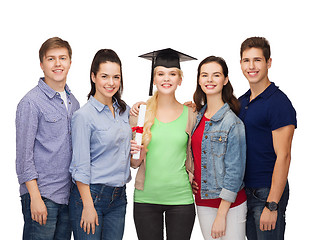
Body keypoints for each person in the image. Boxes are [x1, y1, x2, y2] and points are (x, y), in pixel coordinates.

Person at [15, 37, 80, 240]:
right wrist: (34, 197)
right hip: (42, 196)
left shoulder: (74, 102)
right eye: (51, 59)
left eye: (63, 58)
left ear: (70, 62)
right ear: (42, 64)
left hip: (67, 197)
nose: (58, 63)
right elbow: (23, 157)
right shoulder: (30, 103)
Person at [130, 48, 197, 240]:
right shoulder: (141, 114)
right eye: (160, 74)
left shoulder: (191, 114)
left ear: (180, 79)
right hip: (146, 199)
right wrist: (137, 155)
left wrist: (194, 178)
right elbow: (134, 164)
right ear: (154, 79)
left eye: (172, 74)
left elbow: (196, 152)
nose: (166, 79)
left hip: (181, 199)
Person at [68, 49, 132, 240]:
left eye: (116, 77)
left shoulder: (124, 111)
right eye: (104, 76)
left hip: (119, 198)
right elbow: (80, 165)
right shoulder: (83, 116)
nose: (111, 83)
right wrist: (88, 205)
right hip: (91, 196)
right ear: (93, 76)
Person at [238, 37, 297, 240]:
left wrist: (272, 204)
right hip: (245, 193)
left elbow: (284, 156)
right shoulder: (243, 101)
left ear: (268, 62)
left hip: (266, 194)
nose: (251, 66)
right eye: (246, 60)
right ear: (241, 64)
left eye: (257, 60)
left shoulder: (278, 103)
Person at [191, 56, 247, 240]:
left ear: (225, 80)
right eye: (204, 75)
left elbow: (235, 171)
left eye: (216, 75)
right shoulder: (197, 117)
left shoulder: (232, 123)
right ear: (199, 80)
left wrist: (222, 214)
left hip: (230, 205)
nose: (209, 80)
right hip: (203, 201)